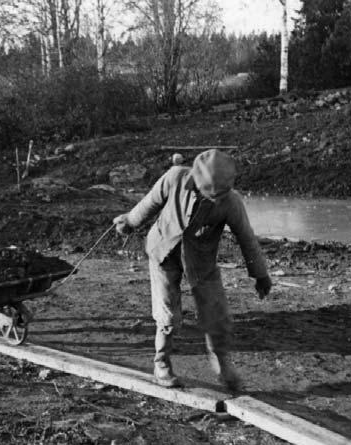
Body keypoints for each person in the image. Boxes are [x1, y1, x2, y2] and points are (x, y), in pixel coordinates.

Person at [113, 149, 271, 391]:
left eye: (217, 194)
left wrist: (260, 274)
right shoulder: (175, 176)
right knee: (167, 312)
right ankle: (162, 363)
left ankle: (223, 367)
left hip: (201, 259)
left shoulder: (231, 202)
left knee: (215, 312)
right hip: (163, 251)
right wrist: (129, 222)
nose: (212, 198)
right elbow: (149, 203)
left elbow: (247, 238)